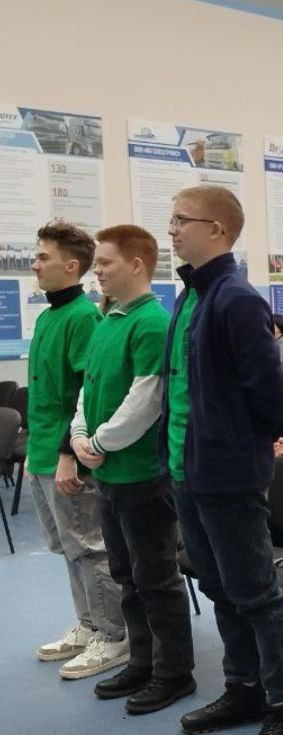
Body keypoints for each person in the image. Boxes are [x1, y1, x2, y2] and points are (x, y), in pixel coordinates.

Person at [163, 185, 283, 735]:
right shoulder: (189, 295)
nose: (172, 229)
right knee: (219, 586)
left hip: (226, 473)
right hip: (186, 469)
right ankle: (243, 687)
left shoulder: (237, 298)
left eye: (182, 220)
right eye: (171, 219)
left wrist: (238, 448)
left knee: (256, 593)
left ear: (218, 229)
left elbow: (269, 397)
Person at [69, 225, 195, 712]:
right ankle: (142, 661)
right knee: (125, 573)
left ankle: (173, 672)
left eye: (105, 263)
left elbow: (146, 400)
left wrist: (99, 441)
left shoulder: (151, 322)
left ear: (137, 265)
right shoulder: (108, 320)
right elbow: (88, 388)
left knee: (155, 577)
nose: (96, 271)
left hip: (142, 476)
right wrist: (80, 434)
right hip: (108, 474)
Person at [29, 223, 128, 679]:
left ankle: (114, 634)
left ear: (71, 266)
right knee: (68, 548)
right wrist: (39, 454)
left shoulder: (83, 318)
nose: (35, 264)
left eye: (42, 257)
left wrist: (68, 452)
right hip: (42, 453)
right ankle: (89, 624)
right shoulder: (48, 316)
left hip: (66, 454)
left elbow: (88, 394)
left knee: (90, 547)